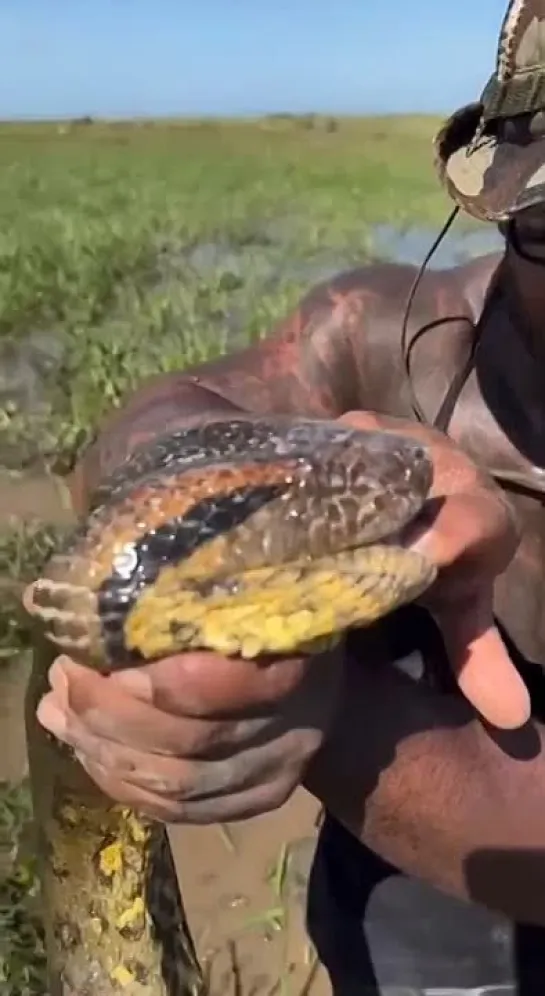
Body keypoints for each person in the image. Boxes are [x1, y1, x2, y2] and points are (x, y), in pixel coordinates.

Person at [34, 1, 545, 992]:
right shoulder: (382, 332)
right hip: (395, 920)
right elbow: (157, 424)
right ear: (510, 199)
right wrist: (303, 484)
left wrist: (331, 713)